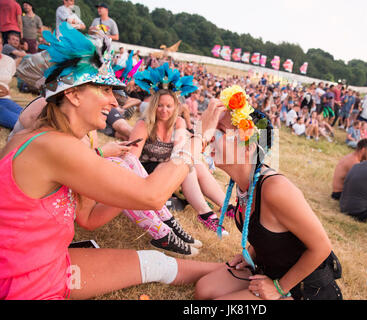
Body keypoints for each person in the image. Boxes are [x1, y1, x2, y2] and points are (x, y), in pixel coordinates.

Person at [0, 22, 223, 300]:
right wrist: (200, 138)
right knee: (157, 265)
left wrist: (124, 186)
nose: (114, 102)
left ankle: (231, 270)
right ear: (72, 94)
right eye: (104, 90)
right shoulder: (53, 146)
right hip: (25, 281)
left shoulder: (61, 140)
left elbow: (88, 218)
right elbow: (153, 196)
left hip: (45, 262)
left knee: (158, 264)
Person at [195, 86, 342, 300]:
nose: (210, 139)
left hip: (305, 289)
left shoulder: (275, 188)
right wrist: (253, 253)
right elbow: (272, 230)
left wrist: (279, 288)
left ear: (249, 147)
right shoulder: (244, 182)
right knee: (204, 290)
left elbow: (322, 248)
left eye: (220, 132)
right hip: (268, 270)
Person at [130, 64, 233, 234]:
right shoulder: (143, 125)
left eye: (169, 106)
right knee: (188, 166)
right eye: (160, 105)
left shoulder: (178, 122)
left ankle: (227, 207)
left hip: (170, 170)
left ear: (175, 107)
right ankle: (205, 214)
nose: (164, 110)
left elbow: (179, 151)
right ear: (154, 105)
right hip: (147, 173)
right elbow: (132, 161)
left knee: (193, 164)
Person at [0, 37, 22, 129]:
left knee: (26, 114)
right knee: (17, 122)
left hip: (5, 99)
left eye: (0, 43)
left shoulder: (9, 61)